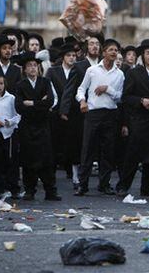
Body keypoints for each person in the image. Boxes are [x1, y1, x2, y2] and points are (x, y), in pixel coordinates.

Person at [116, 39, 149, 197]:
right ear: (142, 56)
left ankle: (147, 187)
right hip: (138, 121)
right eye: (148, 53)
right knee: (133, 155)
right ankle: (123, 185)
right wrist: (141, 101)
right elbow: (126, 97)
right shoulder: (134, 73)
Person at [75, 39, 124, 196]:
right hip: (93, 113)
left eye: (116, 50)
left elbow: (119, 96)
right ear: (104, 52)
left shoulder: (120, 74)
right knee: (87, 149)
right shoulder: (92, 70)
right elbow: (81, 88)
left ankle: (104, 184)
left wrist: (107, 89)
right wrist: (82, 101)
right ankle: (83, 185)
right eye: (110, 49)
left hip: (110, 114)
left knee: (108, 151)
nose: (113, 53)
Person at [14, 51, 61, 201]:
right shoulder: (20, 85)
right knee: (29, 159)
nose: (33, 68)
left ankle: (50, 190)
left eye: (35, 65)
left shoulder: (45, 82)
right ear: (25, 69)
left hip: (43, 125)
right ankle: (30, 190)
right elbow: (19, 106)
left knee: (47, 159)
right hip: (27, 127)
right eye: (30, 66)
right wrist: (40, 103)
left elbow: (50, 101)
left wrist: (33, 103)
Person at [59, 34, 103, 183]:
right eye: (91, 44)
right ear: (86, 48)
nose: (95, 46)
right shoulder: (79, 66)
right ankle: (77, 175)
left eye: (97, 44)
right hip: (81, 111)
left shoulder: (105, 65)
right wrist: (64, 110)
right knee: (79, 142)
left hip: (100, 110)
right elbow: (70, 89)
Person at [45, 44, 79, 189]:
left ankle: (75, 175)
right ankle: (50, 175)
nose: (72, 58)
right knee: (54, 144)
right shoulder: (53, 71)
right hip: (55, 113)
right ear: (63, 57)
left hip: (74, 112)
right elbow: (48, 89)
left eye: (74, 55)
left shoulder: (79, 71)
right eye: (69, 55)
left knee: (74, 144)